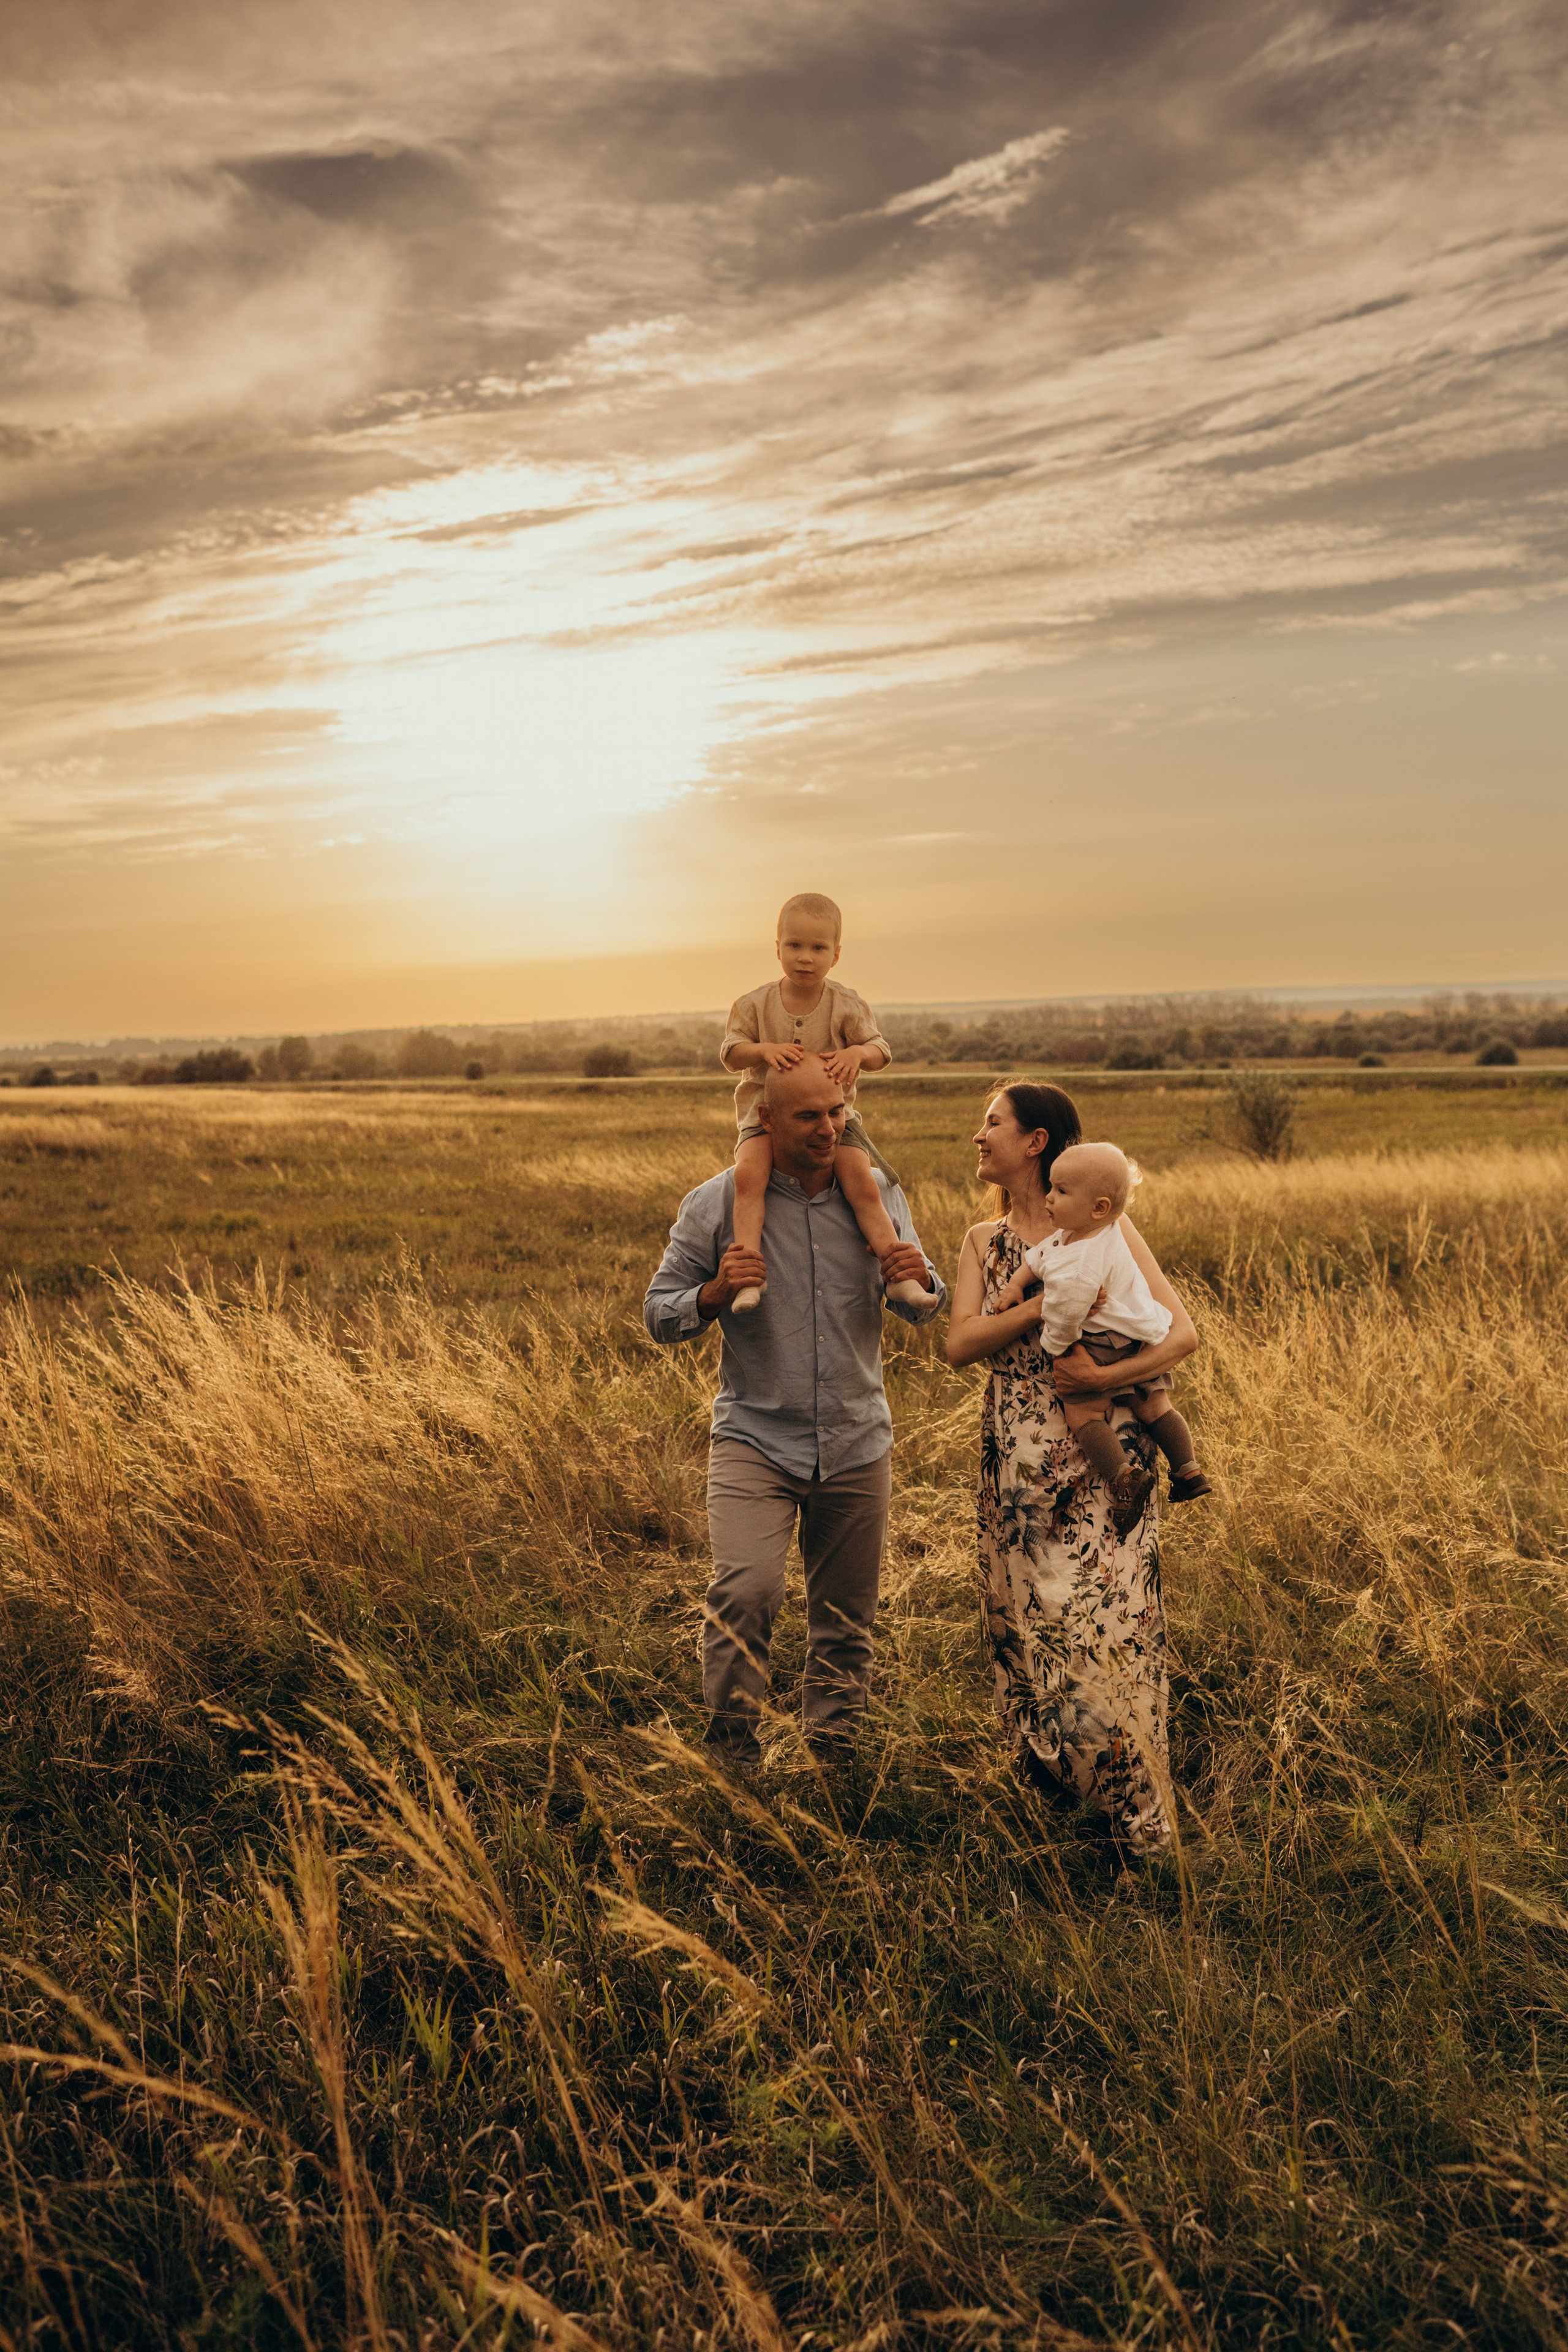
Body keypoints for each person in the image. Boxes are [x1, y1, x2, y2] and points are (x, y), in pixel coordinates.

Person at [644, 1055, 946, 1773]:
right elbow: (659, 1314)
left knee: (845, 1622)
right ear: (767, 1120)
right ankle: (732, 1766)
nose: (829, 1128)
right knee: (745, 1592)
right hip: (756, 1436)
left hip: (856, 1437)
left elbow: (924, 1306)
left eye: (837, 1112)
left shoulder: (875, 1191)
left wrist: (918, 1282)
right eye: (809, 1116)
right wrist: (712, 1294)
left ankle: (835, 1764)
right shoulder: (716, 1204)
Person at [946, 1084, 1199, 1856]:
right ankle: (1056, 1803)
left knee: (1104, 1623)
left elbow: (1182, 1334)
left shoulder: (1110, 1227)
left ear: (1035, 1141)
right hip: (1016, 1457)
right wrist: (1036, 1303)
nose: (979, 1135)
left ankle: (1138, 1818)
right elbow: (959, 1344)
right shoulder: (983, 1241)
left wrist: (1094, 1382)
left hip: (1105, 1453)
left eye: (993, 1122)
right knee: (1025, 1627)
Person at [719, 892, 932, 1312]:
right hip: (763, 1117)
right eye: (794, 946)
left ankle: (901, 1276)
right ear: (777, 947)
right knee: (748, 1179)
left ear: (835, 955)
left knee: (863, 1184)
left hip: (837, 1120)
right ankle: (748, 1278)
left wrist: (856, 1054)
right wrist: (763, 1051)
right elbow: (730, 1053)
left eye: (818, 948)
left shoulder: (845, 1004)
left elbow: (880, 1050)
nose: (804, 958)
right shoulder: (753, 1004)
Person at [992, 1139, 1211, 1535]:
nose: (1049, 1198)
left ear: (1098, 1208)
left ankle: (1123, 1477)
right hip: (1139, 1336)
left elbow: (1066, 1312)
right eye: (1051, 1187)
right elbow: (1037, 1260)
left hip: (1101, 1344)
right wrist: (1014, 1287)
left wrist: (1058, 1349)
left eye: (1060, 1191)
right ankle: (1189, 1469)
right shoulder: (1097, 1232)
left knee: (1085, 1415)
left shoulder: (1081, 1261)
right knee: (1156, 1407)